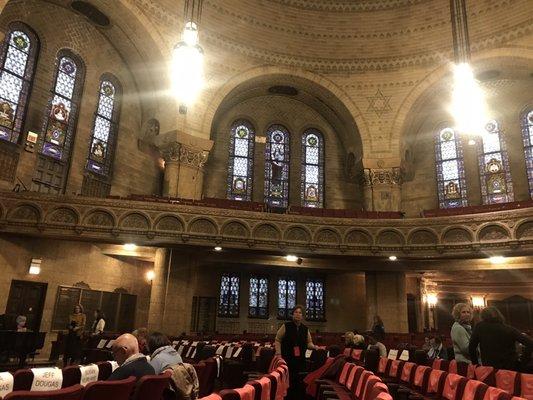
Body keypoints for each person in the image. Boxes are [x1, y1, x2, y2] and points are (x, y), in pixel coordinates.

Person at [468, 306, 533, 369]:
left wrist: (476, 365)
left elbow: (471, 347)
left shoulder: (480, 327)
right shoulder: (509, 329)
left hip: (490, 367)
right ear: (499, 315)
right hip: (510, 366)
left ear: (483, 316)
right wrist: (523, 361)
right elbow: (530, 343)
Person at [275, 305, 317, 400]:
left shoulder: (305, 329)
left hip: (300, 361)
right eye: (296, 312)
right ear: (292, 314)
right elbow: (277, 339)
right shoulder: (286, 326)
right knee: (288, 384)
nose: (298, 314)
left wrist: (315, 347)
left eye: (300, 313)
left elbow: (309, 343)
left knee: (298, 384)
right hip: (287, 359)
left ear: (302, 316)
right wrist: (278, 354)